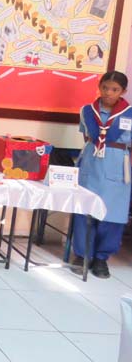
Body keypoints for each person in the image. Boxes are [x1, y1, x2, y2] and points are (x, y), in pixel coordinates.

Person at [72, 71, 132, 279]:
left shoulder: (130, 113)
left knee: (112, 213)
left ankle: (101, 257)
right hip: (91, 162)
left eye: (115, 89)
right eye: (105, 87)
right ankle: (82, 254)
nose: (108, 93)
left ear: (123, 91)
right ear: (99, 87)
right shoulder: (87, 111)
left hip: (117, 165)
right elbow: (86, 135)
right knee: (84, 210)